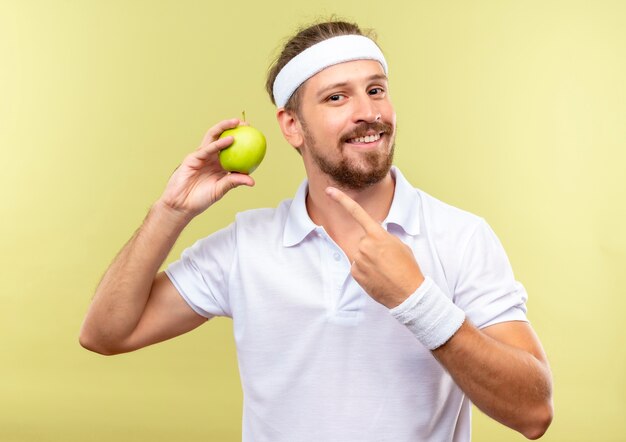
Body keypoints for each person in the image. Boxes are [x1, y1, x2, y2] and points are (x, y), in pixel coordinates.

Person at [80, 19, 553, 441]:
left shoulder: (461, 237)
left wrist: (417, 300)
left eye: (376, 89)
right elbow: (106, 334)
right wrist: (171, 210)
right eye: (336, 97)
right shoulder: (246, 246)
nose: (368, 112)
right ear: (292, 126)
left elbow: (533, 413)